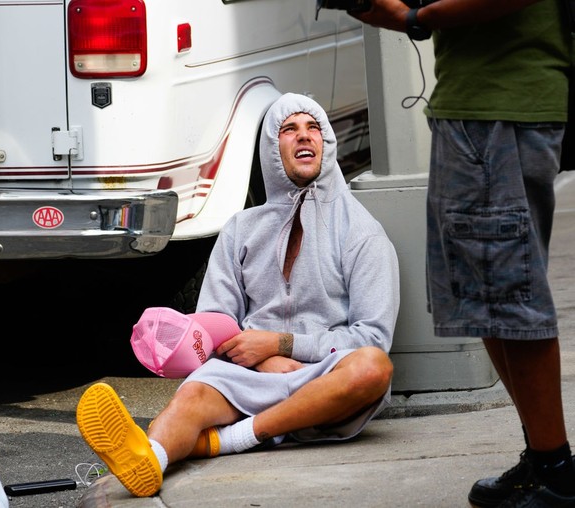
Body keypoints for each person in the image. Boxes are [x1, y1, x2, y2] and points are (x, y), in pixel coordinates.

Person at [76, 92, 400, 498]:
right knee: (192, 395)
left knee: (373, 368)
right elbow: (215, 323)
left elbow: (372, 337)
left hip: (323, 380)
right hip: (249, 376)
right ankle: (151, 459)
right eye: (289, 129)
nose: (304, 137)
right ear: (270, 147)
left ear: (327, 143)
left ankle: (233, 438)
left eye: (313, 128)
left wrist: (283, 345)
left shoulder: (362, 232)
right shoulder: (240, 229)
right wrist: (260, 359)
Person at [350, 1, 575, 506]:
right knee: (486, 297)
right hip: (478, 108)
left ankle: (558, 474)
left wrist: (413, 18)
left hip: (499, 108)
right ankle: (544, 457)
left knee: (512, 294)